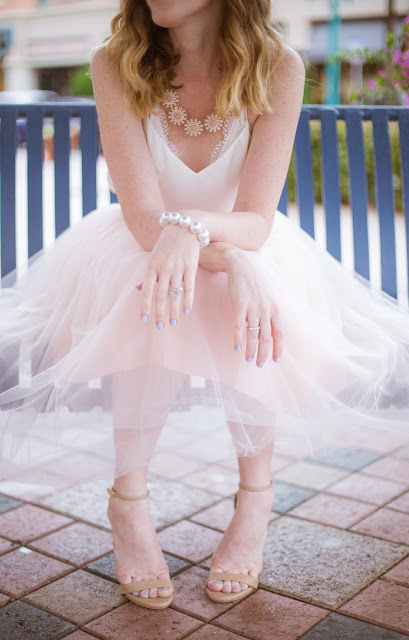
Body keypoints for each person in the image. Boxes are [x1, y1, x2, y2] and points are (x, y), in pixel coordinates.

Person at [1, 0, 409, 613]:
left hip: (244, 243)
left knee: (247, 293)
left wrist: (218, 246)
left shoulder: (279, 66)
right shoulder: (116, 62)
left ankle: (256, 500)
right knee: (156, 291)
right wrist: (228, 257)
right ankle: (129, 502)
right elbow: (143, 221)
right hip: (142, 250)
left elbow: (256, 219)